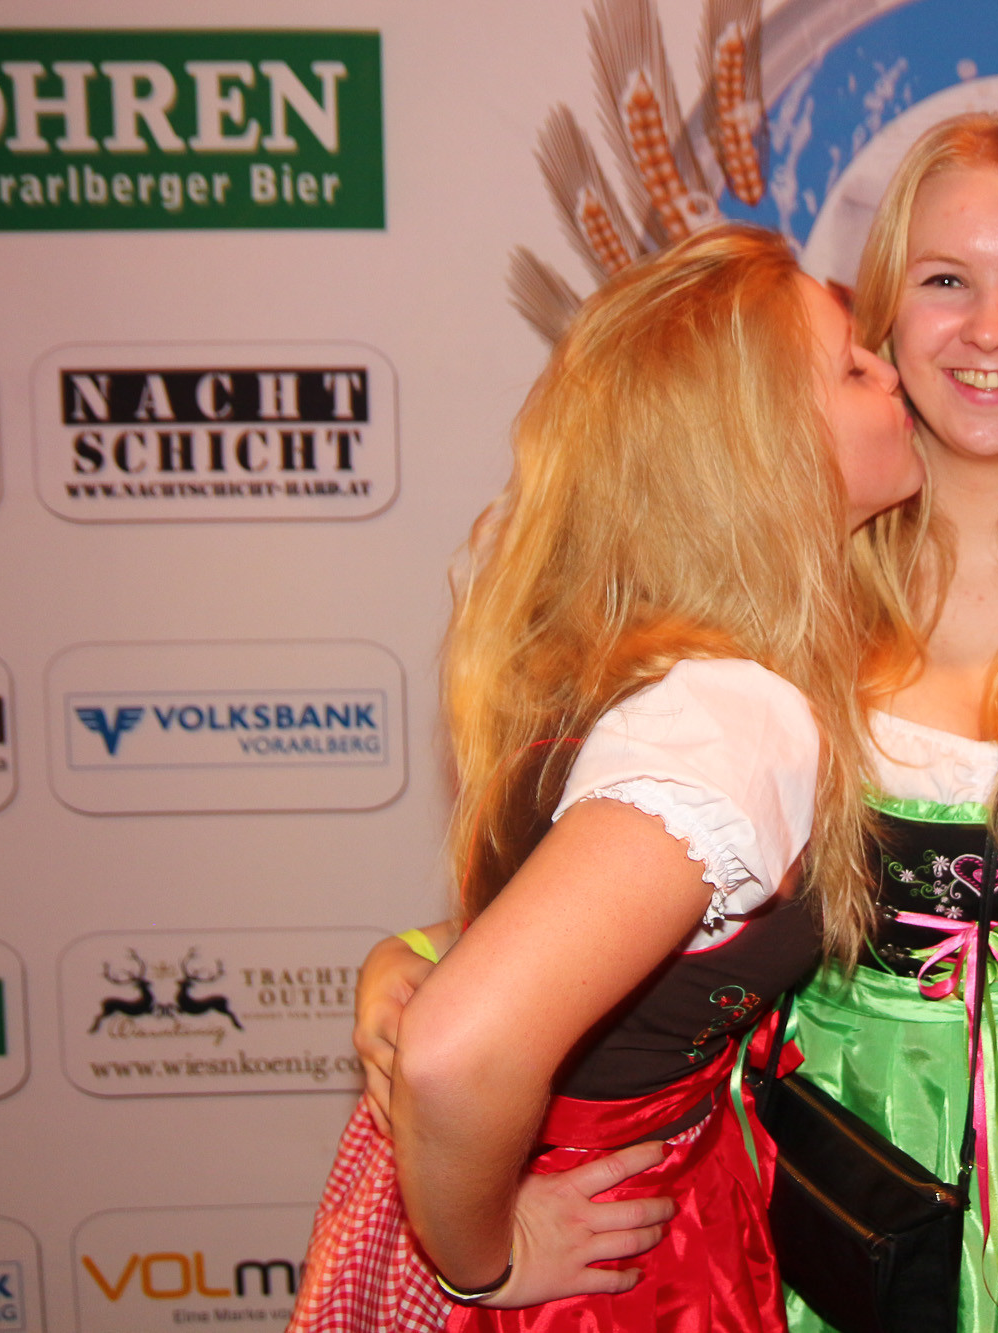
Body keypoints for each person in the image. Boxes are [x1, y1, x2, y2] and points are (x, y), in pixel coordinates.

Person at [351, 112, 998, 1332]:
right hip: (822, 1207)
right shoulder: (772, 603)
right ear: (880, 320)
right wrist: (422, 956)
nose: (988, 329)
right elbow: (625, 875)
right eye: (944, 281)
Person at [295, 224, 921, 1332]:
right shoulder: (730, 715)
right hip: (614, 1261)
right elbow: (457, 1053)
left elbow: (572, 921)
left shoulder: (631, 656)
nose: (895, 374)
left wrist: (420, 952)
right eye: (852, 368)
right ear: (764, 444)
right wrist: (487, 1261)